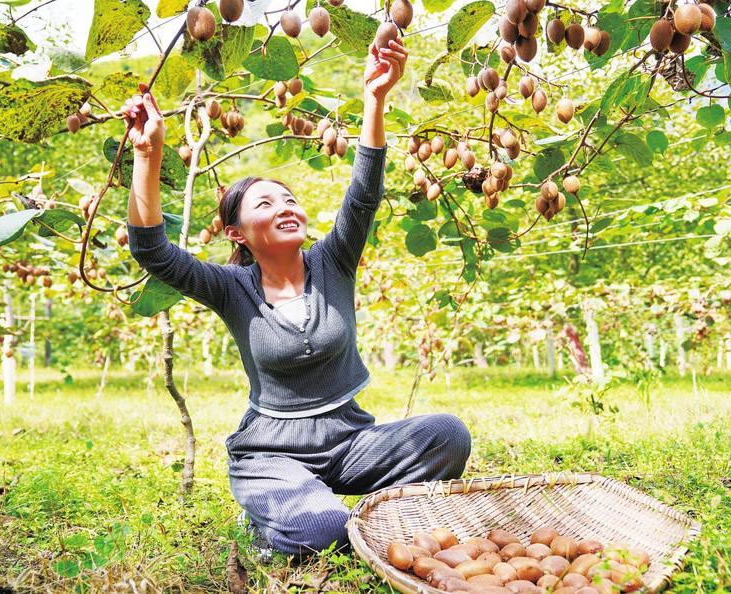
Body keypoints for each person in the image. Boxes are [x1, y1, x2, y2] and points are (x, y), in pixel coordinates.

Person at [123, 37, 471, 557]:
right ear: (237, 233)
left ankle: (352, 512)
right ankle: (280, 517)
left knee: (447, 434)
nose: (285, 207)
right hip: (271, 455)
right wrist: (147, 154)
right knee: (326, 529)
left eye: (289, 199)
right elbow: (152, 250)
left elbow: (363, 195)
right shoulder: (231, 288)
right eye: (265, 204)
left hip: (350, 442)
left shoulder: (333, 261)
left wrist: (375, 98)